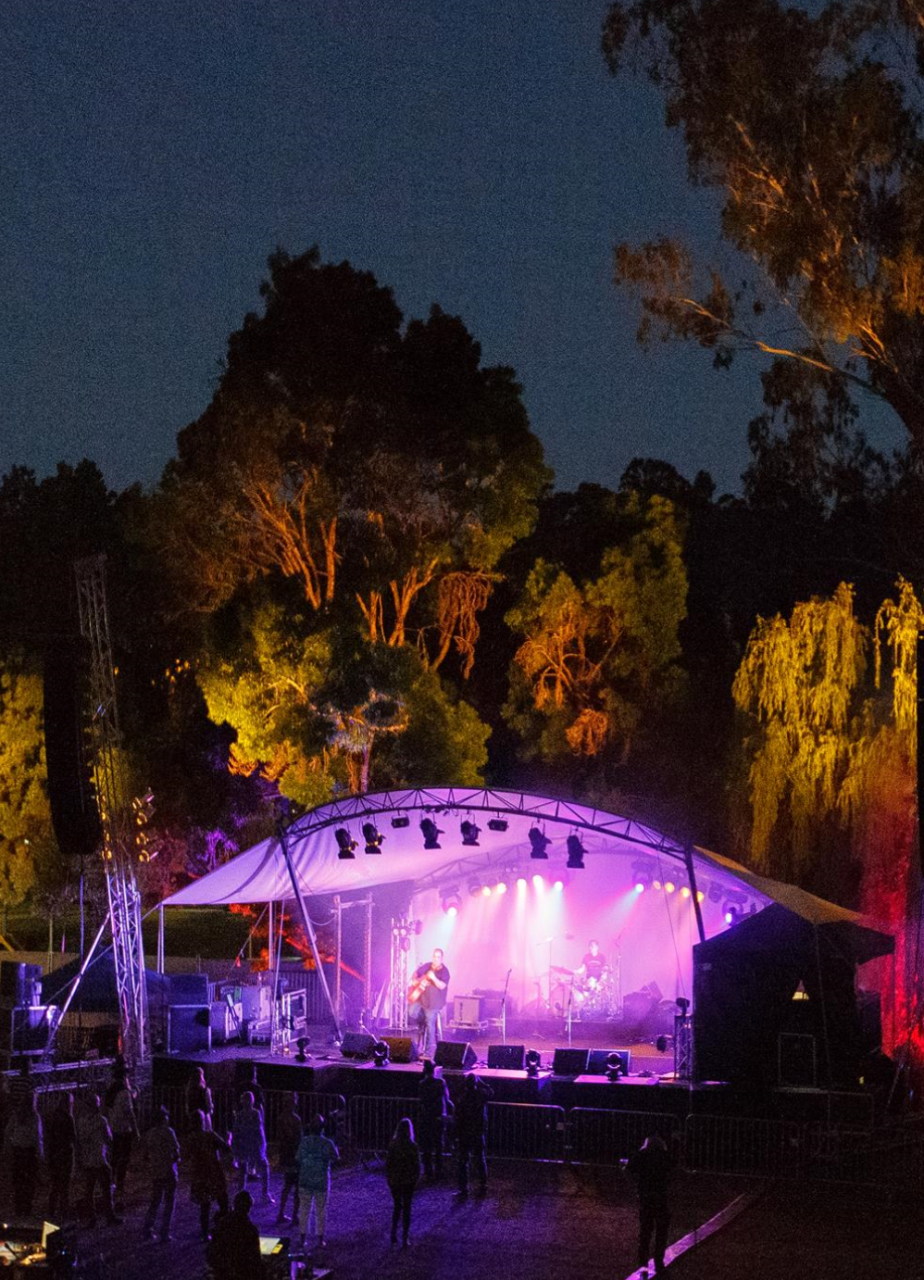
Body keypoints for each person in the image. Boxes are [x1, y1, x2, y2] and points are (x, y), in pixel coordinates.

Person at [627, 1134, 672, 1276]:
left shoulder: (642, 1154)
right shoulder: (665, 1156)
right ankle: (659, 1261)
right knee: (661, 1231)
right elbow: (673, 1171)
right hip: (661, 1196)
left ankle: (643, 1262)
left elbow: (629, 1170)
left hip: (646, 1196)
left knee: (645, 1230)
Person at [295, 1116, 339, 1251]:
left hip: (305, 1179)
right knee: (321, 1210)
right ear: (323, 1128)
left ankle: (303, 1239)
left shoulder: (304, 1142)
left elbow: (298, 1158)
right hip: (321, 1180)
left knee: (304, 1209)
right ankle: (320, 1239)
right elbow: (336, 1157)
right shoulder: (327, 1143)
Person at [76, 1093, 120, 1226]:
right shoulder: (101, 1121)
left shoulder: (81, 1122)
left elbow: (80, 1140)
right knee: (106, 1189)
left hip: (88, 1159)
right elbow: (109, 1138)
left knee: (89, 1191)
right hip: (100, 1159)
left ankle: (91, 1218)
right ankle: (109, 1216)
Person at [186, 1108, 230, 1240]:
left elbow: (187, 1155)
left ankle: (205, 1233)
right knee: (223, 1201)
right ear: (203, 1121)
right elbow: (226, 1148)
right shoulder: (210, 1135)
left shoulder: (191, 1138)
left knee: (205, 1205)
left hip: (199, 1174)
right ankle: (220, 1226)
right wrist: (229, 1138)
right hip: (213, 1172)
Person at [142, 1106, 180, 1242]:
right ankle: (165, 1231)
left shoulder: (149, 1133)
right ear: (164, 1118)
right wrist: (175, 1160)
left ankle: (148, 1228)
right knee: (169, 1202)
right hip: (169, 1170)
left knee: (155, 1201)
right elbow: (176, 1151)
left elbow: (145, 1154)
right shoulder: (168, 1132)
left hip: (156, 1171)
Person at [4, 1090, 44, 1218]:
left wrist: (9, 1146)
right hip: (29, 1152)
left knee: (19, 1180)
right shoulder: (34, 1116)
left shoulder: (17, 1115)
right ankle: (26, 1208)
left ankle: (18, 1207)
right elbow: (38, 1137)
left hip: (18, 1151)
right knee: (29, 1181)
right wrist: (41, 1154)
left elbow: (7, 1131)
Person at [207, 1189, 262, 1280]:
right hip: (240, 1271)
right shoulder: (249, 1229)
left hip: (222, 1269)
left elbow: (212, 1250)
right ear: (248, 1208)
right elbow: (255, 1257)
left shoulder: (222, 1223)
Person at [455, 1073, 493, 1197]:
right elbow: (491, 1091)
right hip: (477, 1132)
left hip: (464, 1132)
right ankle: (483, 1185)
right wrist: (482, 1083)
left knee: (463, 1161)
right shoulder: (481, 1095)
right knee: (480, 1159)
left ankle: (463, 1188)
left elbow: (458, 1116)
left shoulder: (463, 1097)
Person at [230, 1091, 273, 1202]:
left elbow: (236, 1131)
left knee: (243, 1170)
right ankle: (264, 1193)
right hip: (252, 1144)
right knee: (262, 1166)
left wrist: (235, 1146)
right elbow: (258, 1130)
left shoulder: (241, 1115)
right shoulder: (255, 1113)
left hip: (245, 1144)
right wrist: (262, 1145)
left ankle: (241, 1194)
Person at [385, 1118, 421, 1248]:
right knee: (407, 1208)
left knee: (397, 1206)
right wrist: (415, 1179)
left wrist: (389, 1179)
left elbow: (388, 1164)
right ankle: (405, 1236)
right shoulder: (413, 1146)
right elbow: (417, 1166)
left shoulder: (393, 1145)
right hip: (408, 1180)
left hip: (395, 1180)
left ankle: (394, 1232)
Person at [106, 1072, 139, 1210]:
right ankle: (120, 1184)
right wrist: (136, 1130)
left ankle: (111, 1182)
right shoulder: (125, 1094)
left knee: (114, 1157)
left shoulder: (112, 1093)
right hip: (125, 1129)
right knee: (124, 1157)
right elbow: (130, 1112)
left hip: (114, 1128)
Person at [410, 948, 450, 1056]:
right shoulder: (427, 966)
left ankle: (427, 1052)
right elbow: (416, 973)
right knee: (412, 1012)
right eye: (434, 956)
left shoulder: (444, 971)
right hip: (422, 999)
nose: (436, 959)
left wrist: (434, 978)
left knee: (430, 1024)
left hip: (434, 1004)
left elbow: (442, 986)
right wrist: (414, 980)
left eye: (438, 957)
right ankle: (422, 1023)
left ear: (441, 958)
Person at [417, 1058, 451, 1180]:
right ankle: (439, 1171)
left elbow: (422, 1101)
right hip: (439, 1118)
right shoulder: (440, 1083)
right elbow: (447, 1099)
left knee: (427, 1147)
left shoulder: (422, 1084)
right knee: (438, 1146)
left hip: (427, 1118)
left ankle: (428, 1171)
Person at [45, 1092, 77, 1219]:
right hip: (65, 1154)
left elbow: (48, 1136)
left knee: (55, 1184)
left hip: (54, 1154)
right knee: (64, 1185)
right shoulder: (68, 1117)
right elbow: (73, 1137)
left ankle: (51, 1211)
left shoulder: (52, 1116)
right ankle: (64, 1211)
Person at [275, 1093, 303, 1225]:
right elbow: (298, 1139)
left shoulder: (280, 1119)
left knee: (287, 1185)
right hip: (294, 1156)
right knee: (297, 1186)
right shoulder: (296, 1119)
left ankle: (281, 1212)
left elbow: (280, 1138)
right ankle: (295, 1215)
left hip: (286, 1155)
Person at [185, 1067, 213, 1131]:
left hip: (193, 1118)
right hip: (204, 1117)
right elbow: (209, 1107)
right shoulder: (205, 1091)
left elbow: (188, 1106)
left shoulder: (189, 1091)